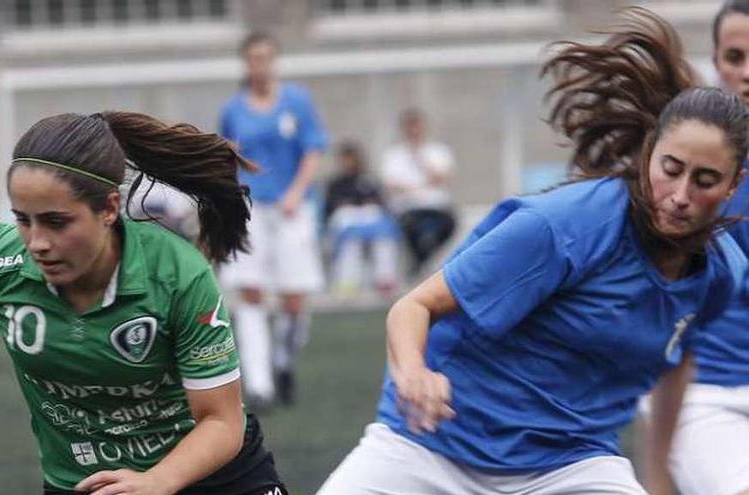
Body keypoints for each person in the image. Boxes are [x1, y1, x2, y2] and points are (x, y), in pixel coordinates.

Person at [316, 8, 748, 495]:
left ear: (733, 186)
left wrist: (661, 477)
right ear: (649, 155)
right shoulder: (566, 226)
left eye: (705, 180)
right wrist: (414, 375)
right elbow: (413, 306)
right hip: (432, 448)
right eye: (671, 168)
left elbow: (676, 364)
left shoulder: (719, 272)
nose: (681, 193)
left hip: (570, 465)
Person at [0, 111, 289, 495]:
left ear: (109, 208)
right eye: (23, 219)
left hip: (212, 476)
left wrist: (156, 482)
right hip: (88, 483)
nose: (37, 242)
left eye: (57, 222)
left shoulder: (177, 276)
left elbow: (221, 421)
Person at [648, 2, 749, 493]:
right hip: (708, 391)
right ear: (715, 59)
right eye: (735, 56)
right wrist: (657, 466)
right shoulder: (681, 175)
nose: (747, 72)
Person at [219, 32, 329, 407]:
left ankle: (283, 361)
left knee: (295, 299)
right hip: (252, 208)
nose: (259, 65)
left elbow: (313, 150)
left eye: (265, 57)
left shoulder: (297, 102)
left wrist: (296, 192)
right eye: (253, 59)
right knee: (250, 291)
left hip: (292, 208)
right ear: (245, 64)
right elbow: (228, 158)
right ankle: (259, 383)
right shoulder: (234, 109)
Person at [381, 108, 457, 276]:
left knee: (446, 227)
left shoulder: (438, 151)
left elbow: (443, 177)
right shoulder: (394, 154)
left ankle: (419, 265)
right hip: (409, 207)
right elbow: (391, 184)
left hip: (437, 206)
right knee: (411, 230)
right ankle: (423, 267)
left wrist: (421, 160)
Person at [323, 141, 400, 298]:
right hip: (347, 223)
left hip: (369, 221)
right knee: (352, 241)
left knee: (384, 237)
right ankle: (347, 282)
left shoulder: (369, 180)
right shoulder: (335, 184)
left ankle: (385, 279)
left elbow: (381, 203)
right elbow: (330, 209)